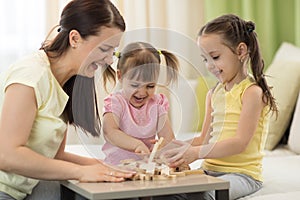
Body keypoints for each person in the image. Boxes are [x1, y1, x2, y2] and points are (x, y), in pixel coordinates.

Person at [0, 0, 135, 200]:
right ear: (74, 38)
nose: (109, 60)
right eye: (104, 49)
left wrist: (101, 167)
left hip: (23, 189)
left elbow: (56, 155)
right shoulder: (31, 75)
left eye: (112, 51)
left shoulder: (66, 83)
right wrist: (81, 172)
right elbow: (6, 156)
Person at [157, 14, 278, 200]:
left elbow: (240, 143)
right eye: (205, 59)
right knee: (164, 192)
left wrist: (195, 153)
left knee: (204, 196)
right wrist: (177, 148)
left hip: (242, 175)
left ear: (241, 51)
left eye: (215, 57)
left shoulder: (252, 93)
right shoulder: (213, 95)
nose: (210, 66)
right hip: (209, 170)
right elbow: (204, 139)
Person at [102, 42, 180, 166]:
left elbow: (168, 139)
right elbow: (109, 132)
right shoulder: (116, 102)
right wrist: (137, 144)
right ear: (120, 76)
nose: (142, 92)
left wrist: (163, 149)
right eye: (135, 85)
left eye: (150, 86)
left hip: (146, 167)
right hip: (117, 167)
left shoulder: (158, 103)